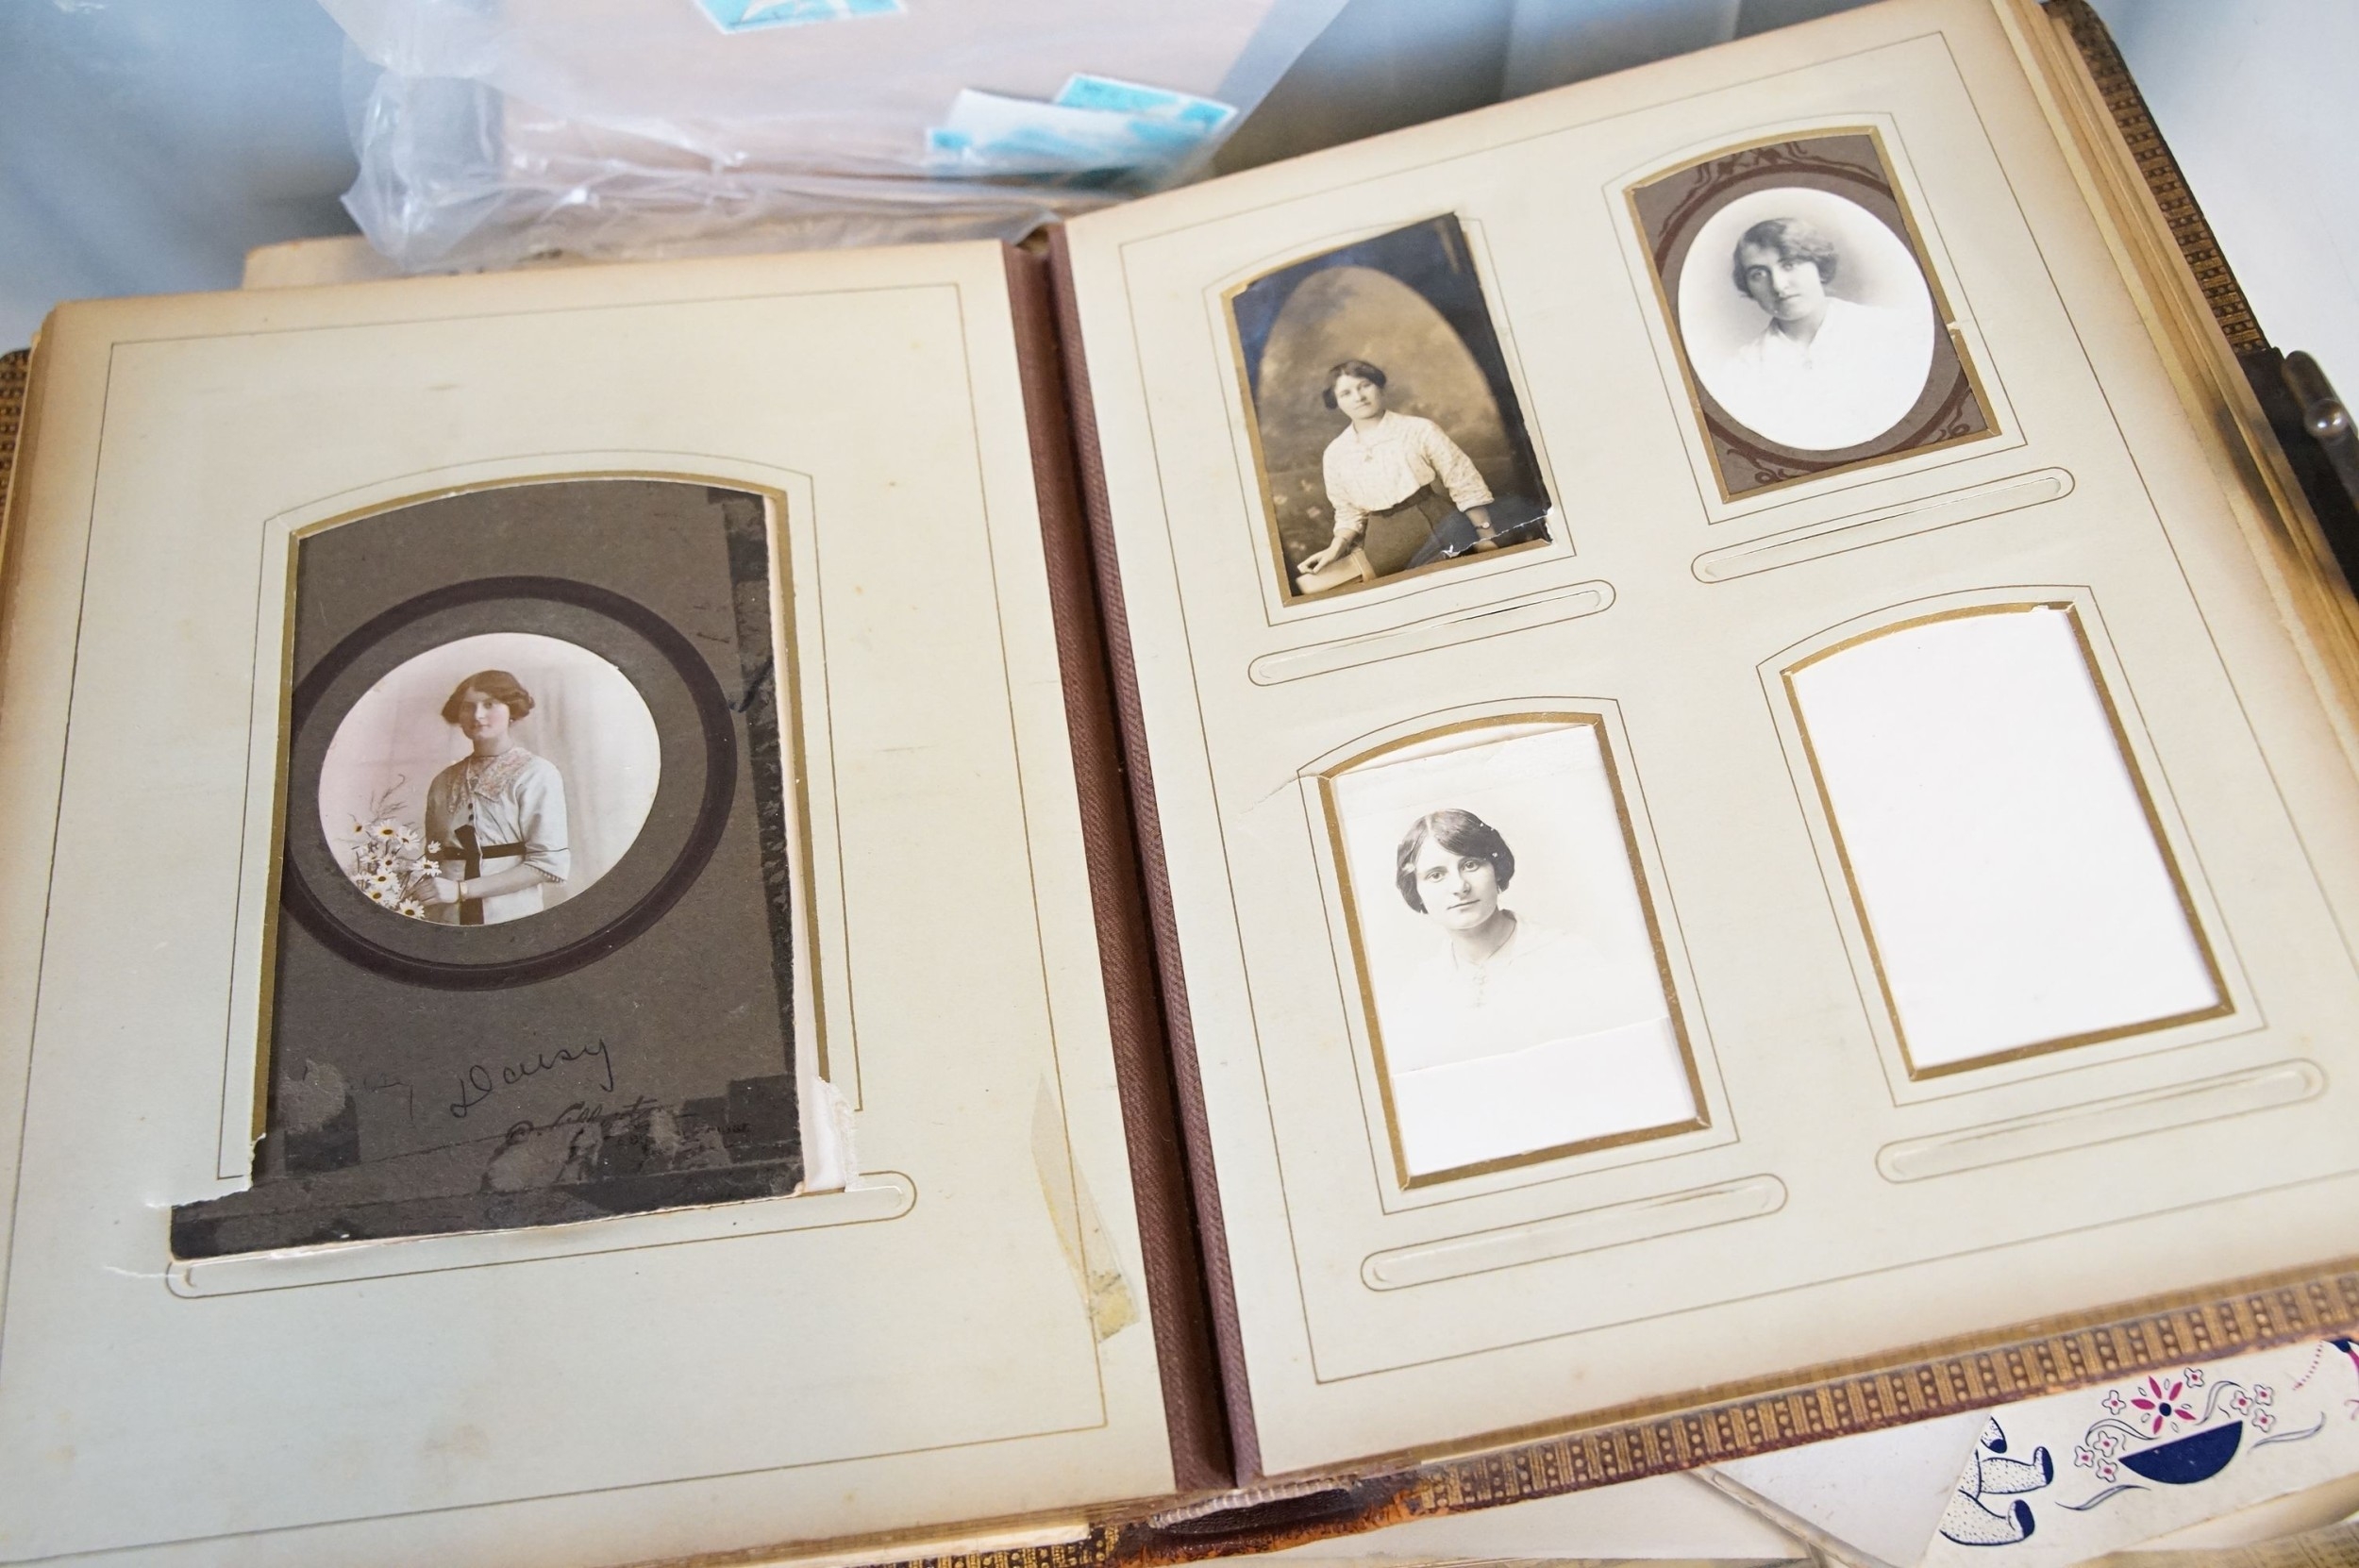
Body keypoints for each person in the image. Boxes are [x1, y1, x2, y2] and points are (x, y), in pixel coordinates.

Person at [1378, 809, 1695, 1176]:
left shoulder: (1570, 958)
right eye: (1436, 874)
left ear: (1496, 868)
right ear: (1416, 889)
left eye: (1471, 864)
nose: (1459, 886)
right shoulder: (1420, 994)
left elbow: (1633, 1080)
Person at [1295, 360, 1546, 588]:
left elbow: (1462, 479)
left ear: (1379, 387)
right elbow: (1349, 512)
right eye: (1346, 393)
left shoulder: (1418, 429)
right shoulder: (1336, 453)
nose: (1358, 397)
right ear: (1336, 402)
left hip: (1440, 528)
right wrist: (1335, 548)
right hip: (1383, 549)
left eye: (1365, 386)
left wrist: (1486, 535)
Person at [1707, 215, 1932, 452]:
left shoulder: (1889, 331)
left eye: (1789, 265)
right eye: (1758, 274)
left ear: (1817, 264)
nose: (1779, 285)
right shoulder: (1743, 369)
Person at [421, 670, 570, 926]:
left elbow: (547, 864)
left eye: (489, 704)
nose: (477, 715)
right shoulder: (443, 781)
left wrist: (462, 889)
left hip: (508, 916)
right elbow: (432, 859)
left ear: (512, 710)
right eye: (468, 707)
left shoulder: (536, 773)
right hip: (446, 918)